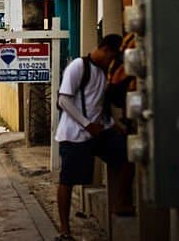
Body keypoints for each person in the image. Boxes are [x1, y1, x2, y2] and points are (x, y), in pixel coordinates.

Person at [54, 34, 129, 240]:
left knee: (127, 155)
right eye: (111, 56)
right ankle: (64, 229)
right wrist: (87, 124)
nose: (111, 61)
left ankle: (121, 202)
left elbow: (99, 105)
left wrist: (112, 126)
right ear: (104, 50)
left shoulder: (104, 71)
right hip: (74, 135)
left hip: (99, 131)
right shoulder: (78, 67)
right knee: (67, 181)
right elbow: (63, 100)